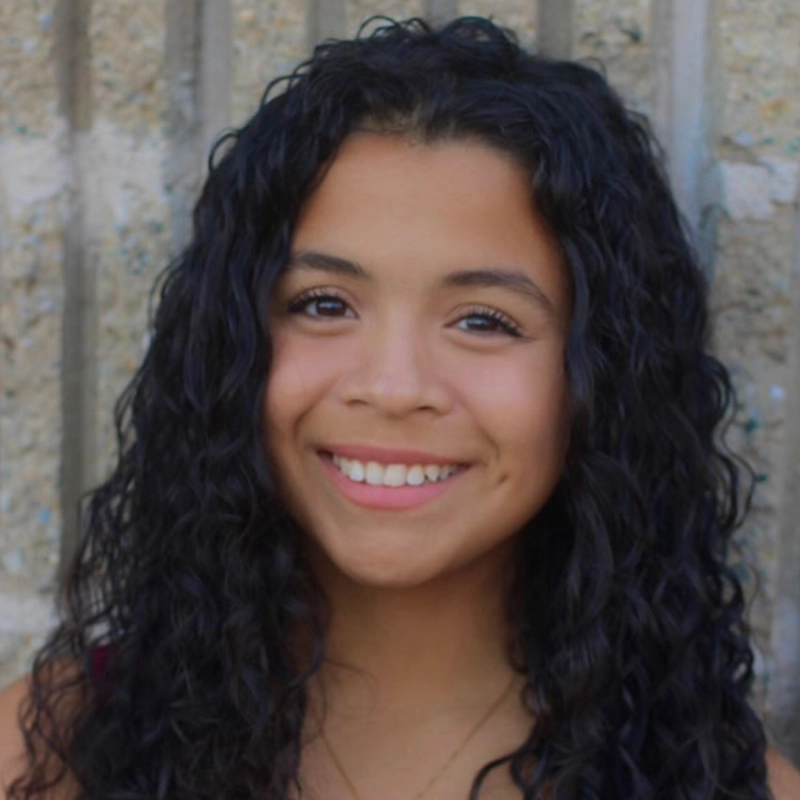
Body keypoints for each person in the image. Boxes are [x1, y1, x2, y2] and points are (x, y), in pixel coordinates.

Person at [1, 15, 799, 800]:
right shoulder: (44, 760)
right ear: (227, 344)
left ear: (606, 378)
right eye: (322, 303)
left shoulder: (724, 786)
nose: (390, 386)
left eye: (485, 320)